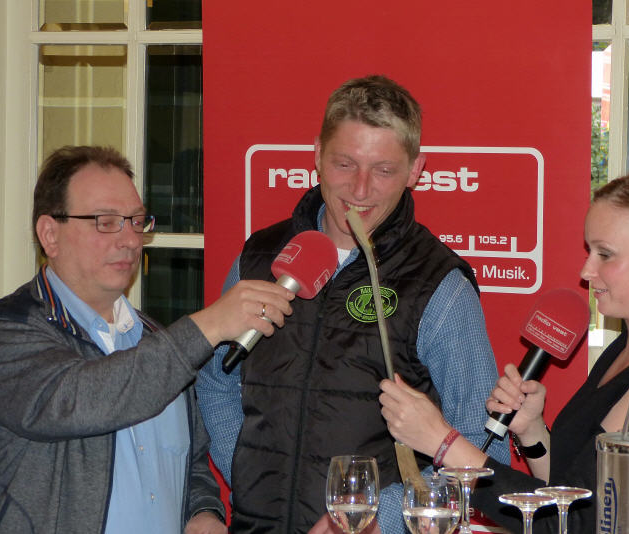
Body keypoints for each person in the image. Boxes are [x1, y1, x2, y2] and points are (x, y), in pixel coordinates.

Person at [196, 75, 510, 533]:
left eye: (383, 170)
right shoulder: (259, 257)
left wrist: (371, 517)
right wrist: (245, 476)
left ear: (416, 170)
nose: (360, 190)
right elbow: (216, 381)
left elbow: (483, 452)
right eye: (345, 164)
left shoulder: (439, 284)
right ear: (317, 155)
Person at [0, 145, 295, 534]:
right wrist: (209, 325)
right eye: (106, 222)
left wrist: (201, 513)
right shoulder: (0, 333)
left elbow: (191, 463)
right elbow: (82, 400)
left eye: (136, 221)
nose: (131, 240)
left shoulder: (156, 341)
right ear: (50, 234)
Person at [379, 167, 629, 533]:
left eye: (606, 254)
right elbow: (574, 491)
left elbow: (575, 524)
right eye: (590, 251)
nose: (586, 270)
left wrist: (444, 445)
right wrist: (533, 432)